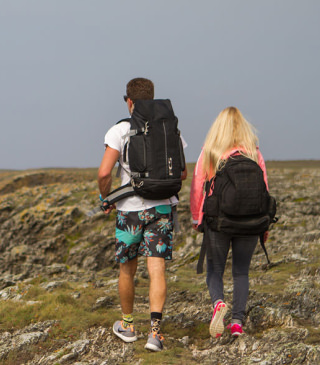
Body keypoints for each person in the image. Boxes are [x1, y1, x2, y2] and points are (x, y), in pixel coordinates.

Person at [98, 77, 187, 351]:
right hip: (161, 207)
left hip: (129, 212)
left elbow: (103, 172)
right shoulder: (169, 129)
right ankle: (155, 334)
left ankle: (127, 325)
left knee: (127, 268)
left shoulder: (120, 130)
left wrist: (106, 197)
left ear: (129, 101)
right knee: (156, 268)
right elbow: (181, 172)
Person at [189, 106, 269, 338]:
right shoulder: (254, 153)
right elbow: (264, 189)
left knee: (215, 270)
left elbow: (197, 188)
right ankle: (236, 324)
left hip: (219, 222)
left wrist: (197, 218)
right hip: (250, 221)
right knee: (241, 272)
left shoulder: (211, 151)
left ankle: (218, 304)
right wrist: (264, 226)